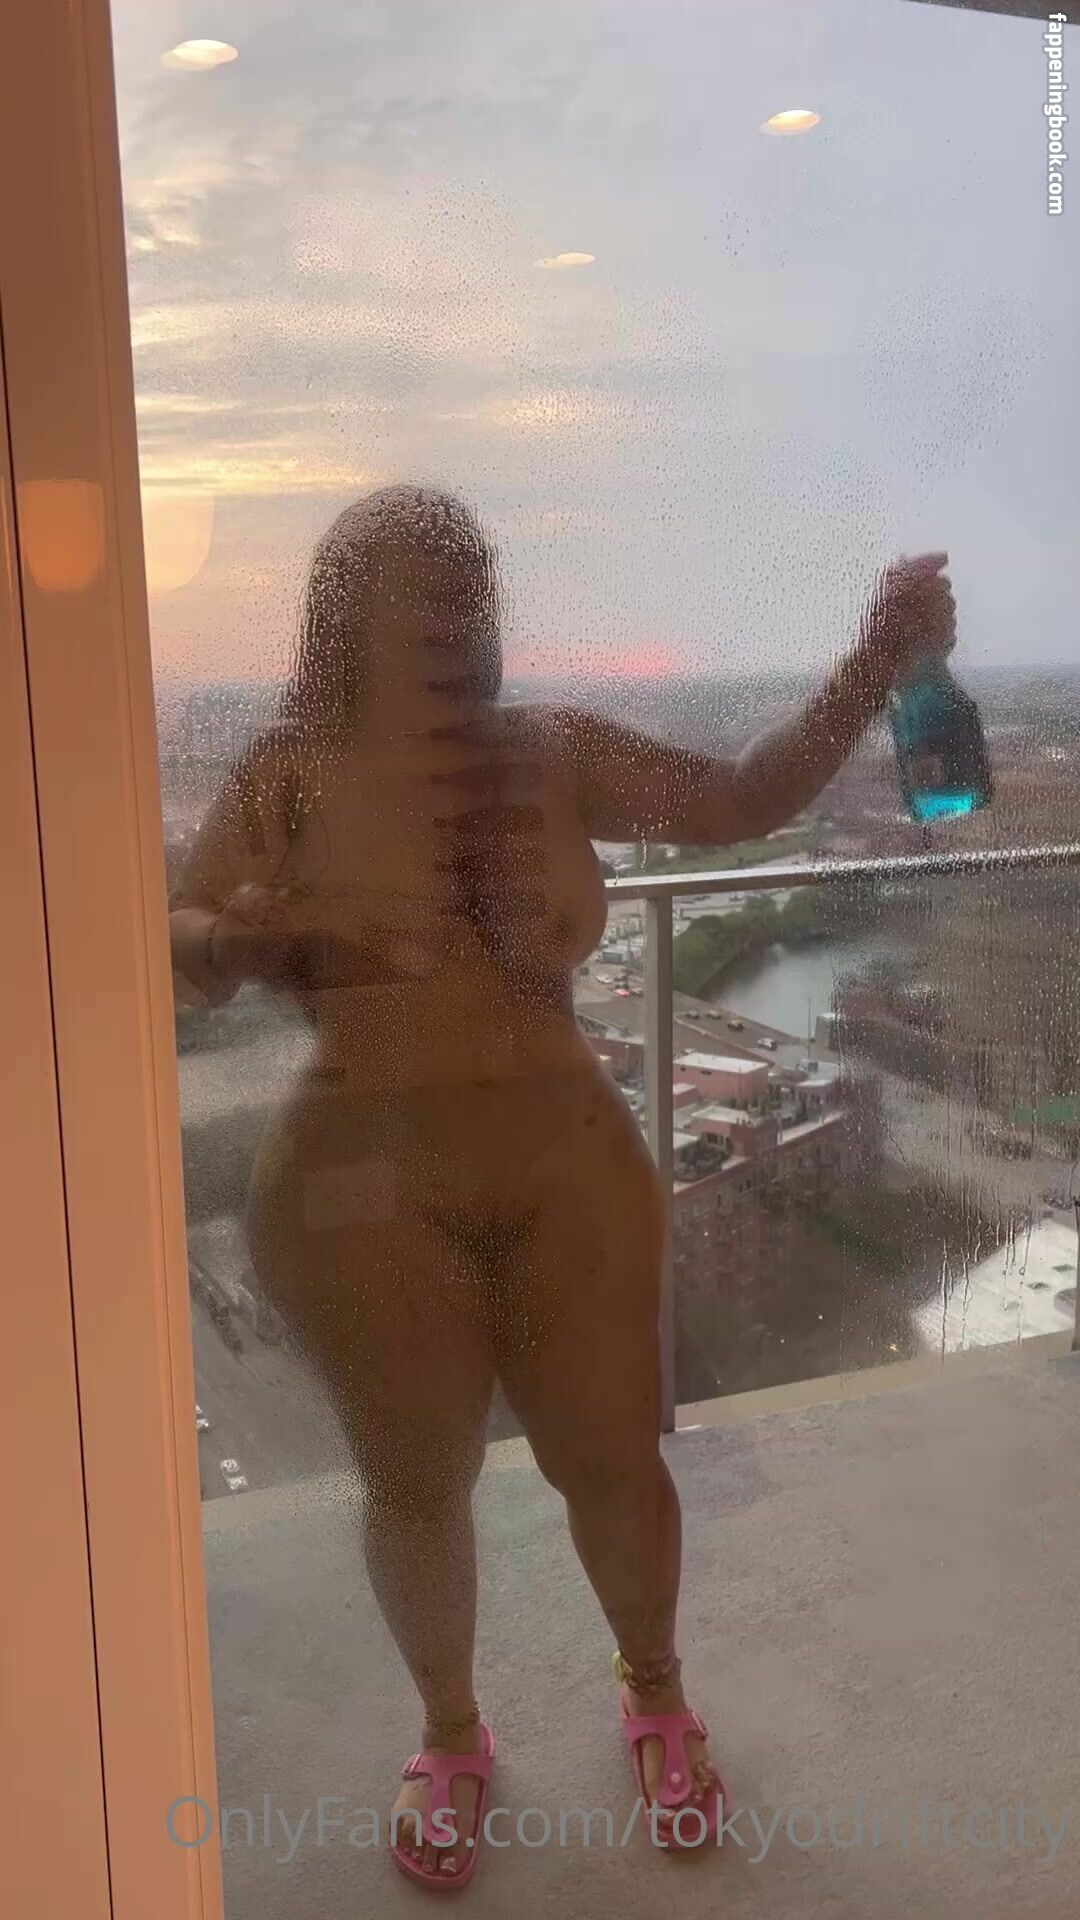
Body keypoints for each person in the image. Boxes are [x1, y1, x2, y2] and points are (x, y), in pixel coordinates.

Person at [169, 486, 955, 1885]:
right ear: (347, 613)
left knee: (615, 1459)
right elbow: (172, 939)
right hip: (365, 1182)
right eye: (411, 586)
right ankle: (449, 1733)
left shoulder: (550, 751)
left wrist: (874, 662)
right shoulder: (289, 770)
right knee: (416, 1484)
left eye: (462, 583)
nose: (446, 610)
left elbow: (740, 799)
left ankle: (656, 1695)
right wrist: (266, 934)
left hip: (565, 1164)